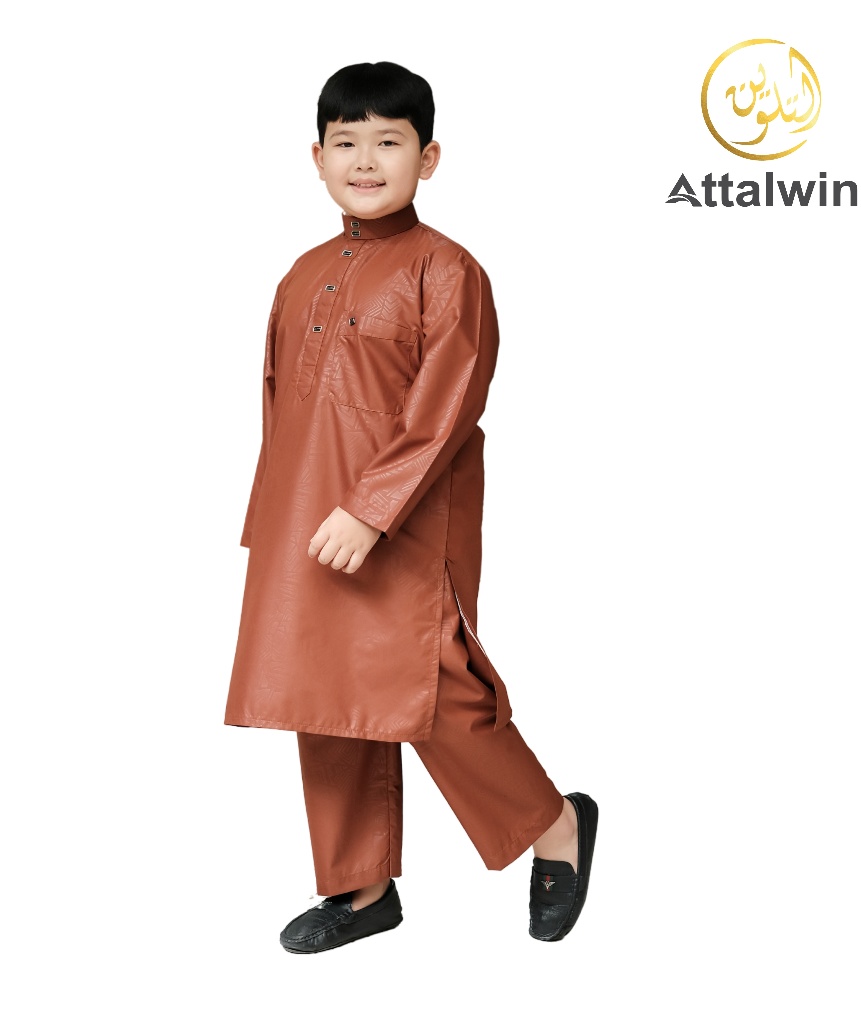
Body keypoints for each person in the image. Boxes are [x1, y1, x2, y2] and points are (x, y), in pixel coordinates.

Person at [224, 61, 598, 953]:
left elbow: (448, 405)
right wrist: (269, 523)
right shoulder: (301, 274)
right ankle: (360, 891)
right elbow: (277, 407)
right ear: (316, 158)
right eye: (346, 143)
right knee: (323, 696)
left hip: (406, 527)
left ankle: (556, 828)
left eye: (388, 142)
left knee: (435, 694)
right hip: (306, 525)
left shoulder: (447, 270)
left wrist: (371, 509)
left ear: (428, 158)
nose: (365, 160)